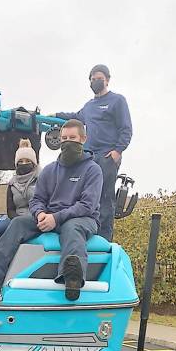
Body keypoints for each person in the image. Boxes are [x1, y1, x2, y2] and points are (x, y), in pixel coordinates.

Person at [0, 119, 103, 301]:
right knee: (19, 222)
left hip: (82, 218)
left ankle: (72, 279)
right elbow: (37, 200)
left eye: (72, 138)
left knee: (72, 228)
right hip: (50, 216)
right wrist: (40, 213)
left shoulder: (93, 170)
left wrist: (55, 218)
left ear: (83, 139)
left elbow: (87, 205)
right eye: (64, 138)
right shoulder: (50, 171)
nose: (68, 142)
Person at [50, 64, 132, 241]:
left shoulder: (117, 101)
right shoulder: (89, 106)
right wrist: (54, 114)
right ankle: (83, 231)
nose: (96, 81)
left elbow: (126, 129)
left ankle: (103, 238)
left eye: (99, 78)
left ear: (107, 80)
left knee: (104, 196)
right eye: (93, 79)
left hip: (106, 155)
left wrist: (118, 151)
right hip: (87, 156)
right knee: (83, 195)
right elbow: (74, 116)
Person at [0, 139, 39, 241]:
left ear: (33, 163)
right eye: (21, 161)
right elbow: (10, 209)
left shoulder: (41, 179)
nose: (24, 164)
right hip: (16, 218)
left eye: (28, 161)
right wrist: (17, 220)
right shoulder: (12, 183)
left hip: (35, 218)